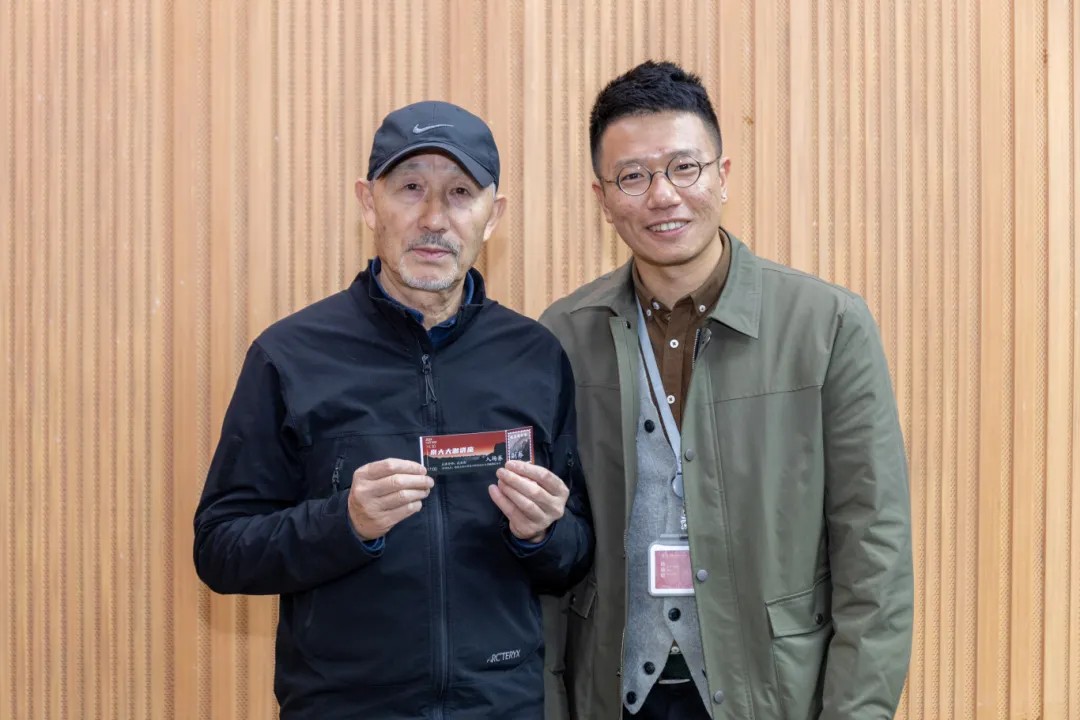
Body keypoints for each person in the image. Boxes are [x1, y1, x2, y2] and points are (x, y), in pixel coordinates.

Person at [193, 100, 594, 719]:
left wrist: (541, 533)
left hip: (500, 706)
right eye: (410, 188)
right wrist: (345, 523)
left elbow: (574, 553)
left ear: (493, 216)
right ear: (368, 202)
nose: (434, 218)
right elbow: (221, 549)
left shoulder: (536, 357)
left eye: (460, 193)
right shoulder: (290, 355)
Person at [540, 61, 913, 720]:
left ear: (723, 175)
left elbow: (874, 550)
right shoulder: (563, 335)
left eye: (684, 167)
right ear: (602, 198)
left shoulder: (827, 325)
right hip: (613, 691)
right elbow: (544, 549)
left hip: (773, 692)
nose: (663, 195)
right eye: (633, 176)